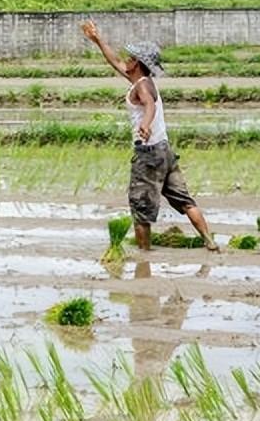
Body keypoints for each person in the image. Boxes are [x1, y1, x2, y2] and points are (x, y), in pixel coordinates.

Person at [81, 21, 218, 252]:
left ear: (137, 63)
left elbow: (149, 105)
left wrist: (145, 123)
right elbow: (115, 62)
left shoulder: (142, 88)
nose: (126, 59)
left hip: (148, 155)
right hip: (165, 151)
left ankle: (144, 254)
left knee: (140, 206)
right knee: (185, 201)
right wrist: (98, 40)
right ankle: (209, 241)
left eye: (130, 57)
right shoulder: (142, 80)